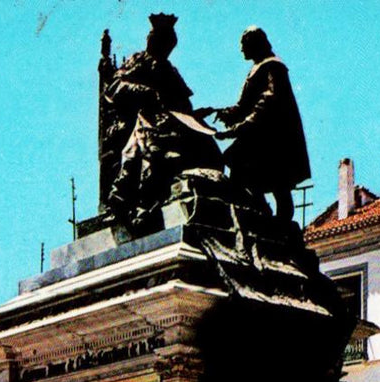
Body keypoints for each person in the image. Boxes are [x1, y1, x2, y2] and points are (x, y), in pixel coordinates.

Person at [102, 13, 223, 230]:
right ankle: (139, 203)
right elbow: (114, 88)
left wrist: (196, 116)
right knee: (151, 143)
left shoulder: (170, 70)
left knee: (210, 151)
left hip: (173, 124)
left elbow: (183, 105)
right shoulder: (137, 61)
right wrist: (144, 92)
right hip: (141, 119)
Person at [211, 26, 311, 221]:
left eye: (244, 44)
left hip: (270, 138)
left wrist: (236, 129)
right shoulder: (259, 67)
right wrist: (224, 113)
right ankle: (260, 211)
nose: (241, 50)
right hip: (258, 135)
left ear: (255, 44)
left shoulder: (273, 66)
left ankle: (274, 220)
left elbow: (268, 103)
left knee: (276, 182)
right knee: (243, 170)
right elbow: (244, 105)